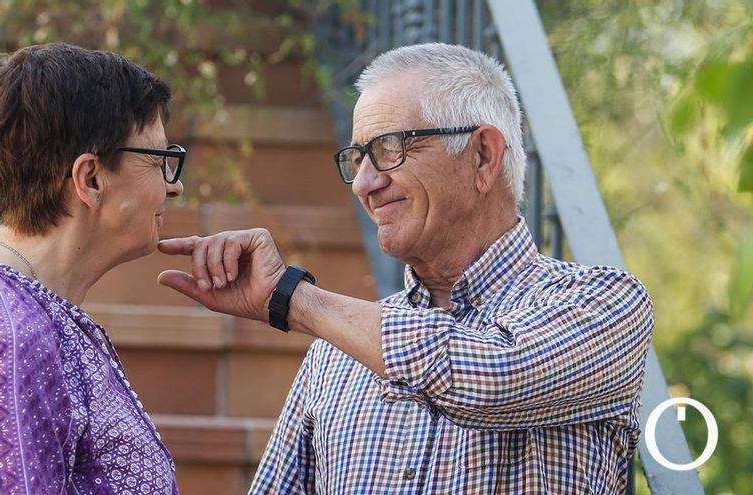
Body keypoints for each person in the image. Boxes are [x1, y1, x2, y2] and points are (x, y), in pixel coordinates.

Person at [156, 43, 653, 494]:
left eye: (389, 148)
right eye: (356, 158)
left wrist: (293, 298)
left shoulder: (606, 305)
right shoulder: (335, 354)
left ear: (483, 155)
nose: (363, 183)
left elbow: (488, 378)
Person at [0, 42, 186, 494]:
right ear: (90, 178)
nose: (176, 187)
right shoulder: (4, 340)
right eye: (160, 162)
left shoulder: (17, 315)